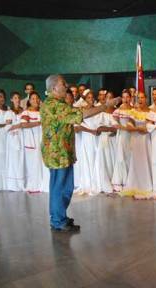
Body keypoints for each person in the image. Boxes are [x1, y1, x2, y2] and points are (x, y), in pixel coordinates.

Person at [41, 74, 117, 232]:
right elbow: (81, 115)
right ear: (54, 88)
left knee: (65, 186)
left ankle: (59, 217)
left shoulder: (59, 103)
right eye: (63, 83)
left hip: (63, 151)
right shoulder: (53, 105)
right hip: (58, 152)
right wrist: (105, 106)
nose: (66, 85)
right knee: (60, 186)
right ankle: (57, 220)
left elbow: (80, 110)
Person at [121, 91, 153, 198]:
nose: (140, 100)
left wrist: (139, 128)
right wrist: (138, 128)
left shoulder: (150, 112)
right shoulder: (133, 112)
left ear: (146, 99)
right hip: (135, 139)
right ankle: (135, 183)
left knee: (146, 160)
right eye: (138, 98)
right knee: (135, 161)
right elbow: (129, 127)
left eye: (142, 97)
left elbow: (149, 129)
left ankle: (147, 183)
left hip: (146, 140)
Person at [21, 91, 50, 193]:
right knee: (33, 164)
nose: (36, 100)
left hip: (42, 140)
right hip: (31, 141)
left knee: (43, 162)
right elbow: (23, 125)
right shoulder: (26, 112)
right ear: (29, 100)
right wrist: (38, 123)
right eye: (33, 99)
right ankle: (34, 185)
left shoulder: (42, 112)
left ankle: (44, 184)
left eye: (37, 98)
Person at [75, 89, 102, 195]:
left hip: (96, 136)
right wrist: (90, 131)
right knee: (87, 158)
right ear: (85, 100)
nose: (90, 100)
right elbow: (78, 126)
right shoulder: (81, 111)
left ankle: (96, 182)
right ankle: (87, 183)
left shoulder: (98, 110)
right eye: (88, 98)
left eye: (92, 98)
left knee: (96, 158)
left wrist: (98, 130)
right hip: (87, 137)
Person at [112, 89, 133, 191]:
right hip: (123, 135)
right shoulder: (118, 110)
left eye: (127, 97)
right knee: (122, 157)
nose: (125, 99)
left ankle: (131, 179)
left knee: (131, 156)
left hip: (132, 135)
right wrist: (124, 128)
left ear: (131, 98)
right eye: (124, 97)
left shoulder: (134, 110)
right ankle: (121, 180)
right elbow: (115, 124)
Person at [5, 92, 25, 191]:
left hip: (22, 137)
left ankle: (21, 183)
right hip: (13, 137)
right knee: (14, 159)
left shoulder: (23, 111)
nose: (17, 100)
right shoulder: (9, 112)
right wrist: (18, 126)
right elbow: (7, 127)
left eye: (18, 98)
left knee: (21, 159)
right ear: (11, 100)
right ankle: (13, 184)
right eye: (15, 98)